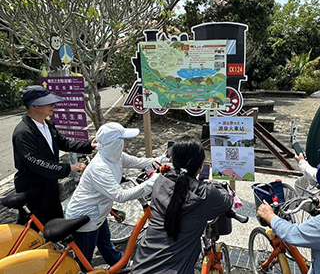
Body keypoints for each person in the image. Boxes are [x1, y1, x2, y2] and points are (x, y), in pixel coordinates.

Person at [65, 122, 166, 267]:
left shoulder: (115, 156)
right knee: (84, 260)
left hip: (98, 212)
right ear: (114, 143)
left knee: (105, 244)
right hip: (85, 218)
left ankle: (118, 263)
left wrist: (162, 159)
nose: (126, 143)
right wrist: (151, 183)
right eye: (123, 140)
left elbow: (139, 162)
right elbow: (120, 196)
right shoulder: (100, 168)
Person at [132, 135, 233, 274]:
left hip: (141, 265)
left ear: (173, 160)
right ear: (201, 166)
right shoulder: (206, 193)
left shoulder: (160, 181)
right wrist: (214, 185)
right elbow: (227, 202)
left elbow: (179, 191)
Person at [12, 85, 95, 227]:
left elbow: (64, 143)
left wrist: (89, 145)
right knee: (30, 231)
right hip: (32, 190)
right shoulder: (23, 133)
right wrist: (68, 168)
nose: (53, 105)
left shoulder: (47, 125)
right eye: (47, 102)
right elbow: (37, 162)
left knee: (56, 224)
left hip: (50, 186)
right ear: (34, 106)